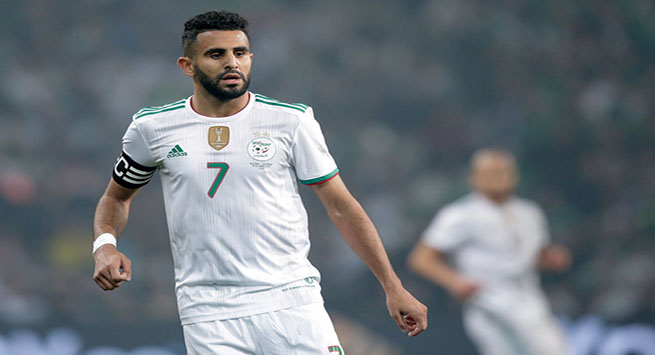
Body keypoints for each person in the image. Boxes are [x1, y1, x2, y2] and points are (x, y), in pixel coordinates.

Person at [92, 10, 427, 354]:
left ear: (251, 58)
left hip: (290, 300)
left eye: (239, 53)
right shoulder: (152, 129)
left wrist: (392, 285)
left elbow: (342, 208)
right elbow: (116, 198)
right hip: (207, 311)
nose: (231, 63)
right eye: (216, 54)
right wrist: (104, 244)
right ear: (187, 66)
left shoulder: (290, 122)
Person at [408, 148, 570, 355]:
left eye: (503, 171)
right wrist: (454, 281)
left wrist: (551, 259)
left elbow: (530, 257)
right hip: (488, 301)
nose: (498, 177)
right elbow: (421, 258)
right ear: (474, 177)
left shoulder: (530, 212)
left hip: (528, 298)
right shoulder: (461, 214)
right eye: (490, 172)